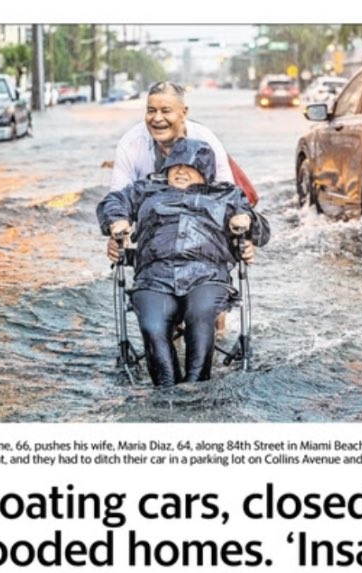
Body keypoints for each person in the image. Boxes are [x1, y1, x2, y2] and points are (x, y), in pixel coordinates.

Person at [97, 138, 270, 388]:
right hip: (154, 276)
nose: (179, 171)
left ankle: (195, 388)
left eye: (189, 167)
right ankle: (166, 388)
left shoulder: (226, 194)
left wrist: (246, 219)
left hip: (207, 275)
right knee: (152, 324)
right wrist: (116, 220)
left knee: (200, 315)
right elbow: (112, 202)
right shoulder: (146, 189)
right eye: (174, 166)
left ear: (205, 171)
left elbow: (263, 233)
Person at [108, 80, 258, 265]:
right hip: (156, 239)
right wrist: (116, 233)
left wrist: (244, 238)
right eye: (151, 110)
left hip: (203, 239)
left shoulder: (206, 141)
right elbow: (118, 198)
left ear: (184, 112)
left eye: (165, 111)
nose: (157, 118)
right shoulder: (131, 144)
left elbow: (228, 197)